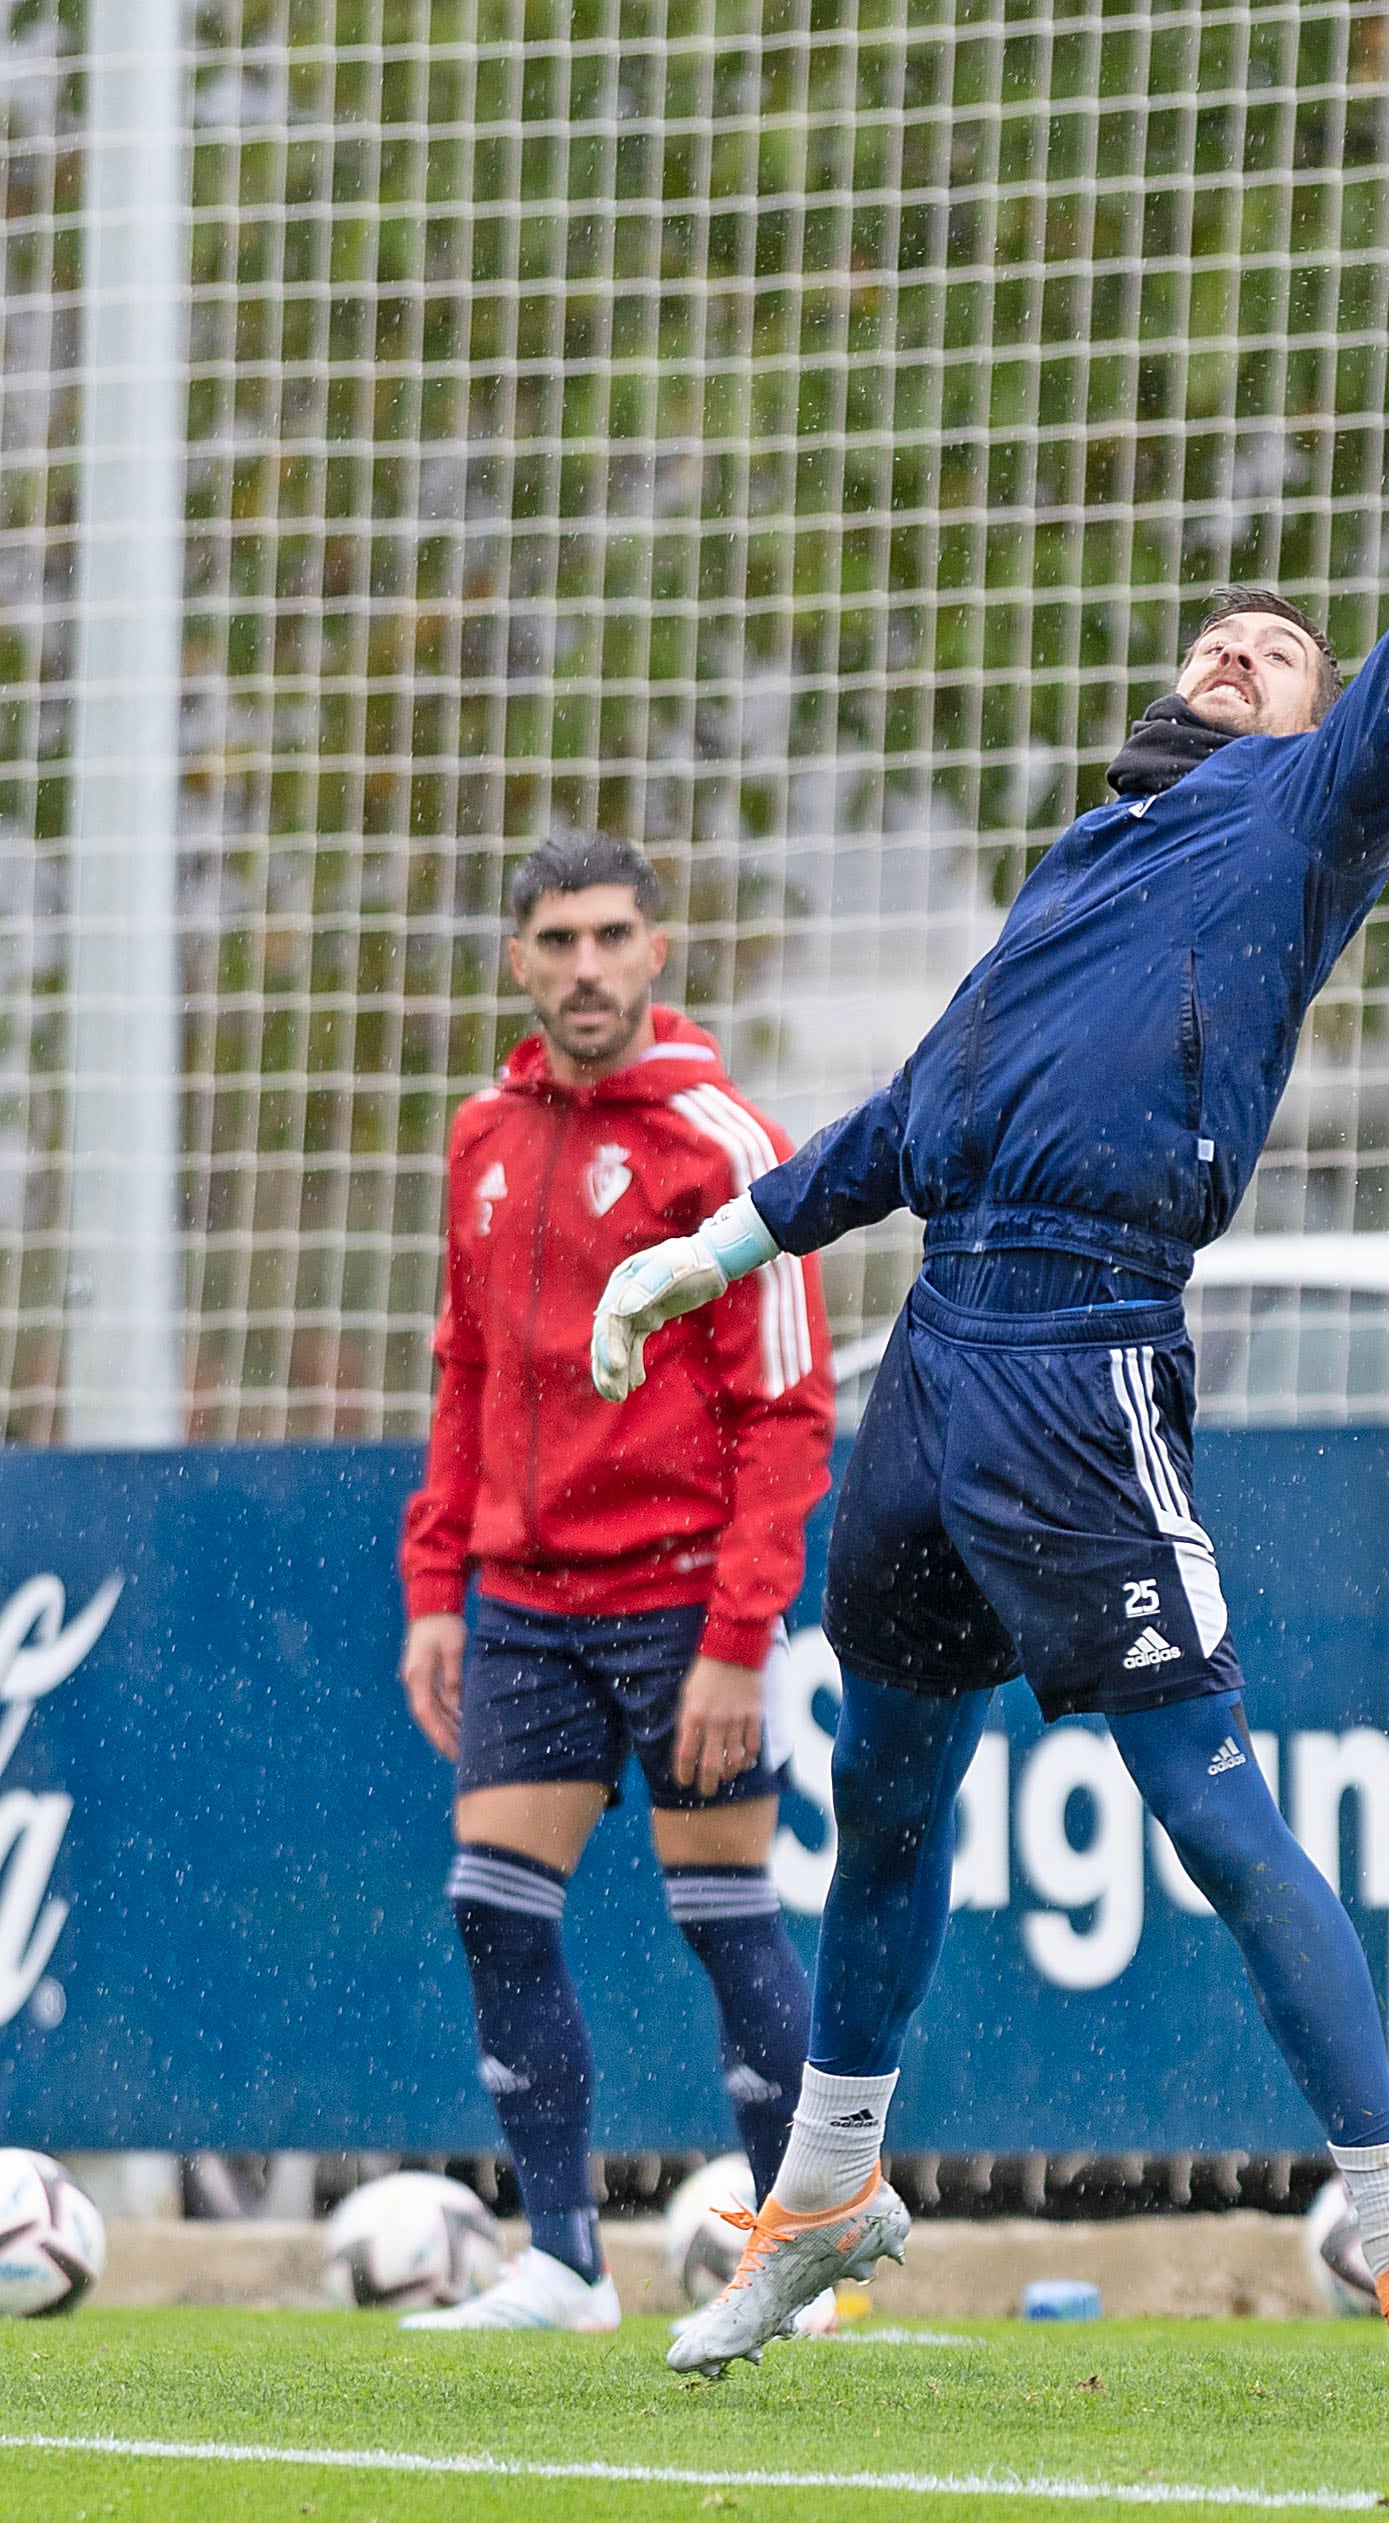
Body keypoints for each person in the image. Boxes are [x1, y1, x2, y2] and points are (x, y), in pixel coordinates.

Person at [590, 281, 1389, 2427]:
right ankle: (824, 2191)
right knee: (894, 1784)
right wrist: (722, 1243)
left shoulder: (1308, 818)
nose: (1239, 651)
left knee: (1210, 1800)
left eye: (1278, 652)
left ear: (1321, 723)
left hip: (1088, 1360)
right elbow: (924, 1106)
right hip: (936, 1354)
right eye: (1216, 641)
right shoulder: (1088, 851)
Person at [397, 832, 834, 2332]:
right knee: (494, 1908)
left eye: (609, 937)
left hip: (682, 1596)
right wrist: (435, 1585)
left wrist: (738, 1633)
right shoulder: (480, 1137)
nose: (584, 967)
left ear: (657, 951)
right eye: (556, 941)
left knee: (725, 1914)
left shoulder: (725, 1144)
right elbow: (465, 1371)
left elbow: (786, 1412)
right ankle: (565, 2264)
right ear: (520, 961)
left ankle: (800, 2265)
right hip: (522, 1599)